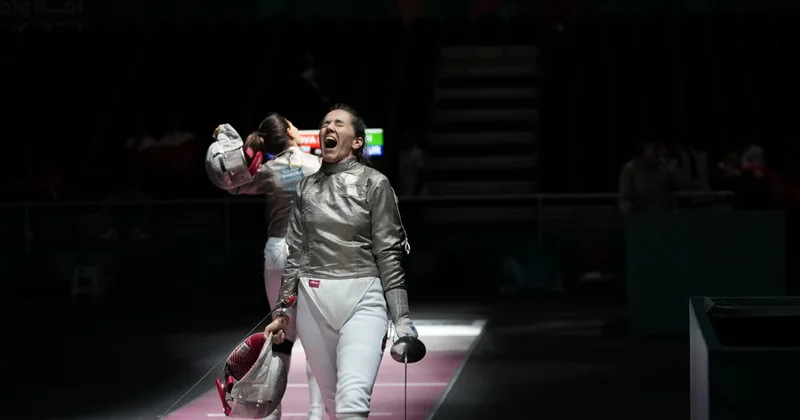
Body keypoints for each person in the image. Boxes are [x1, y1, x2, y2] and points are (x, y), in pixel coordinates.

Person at [263, 104, 418, 420]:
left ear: (358, 141)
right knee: (334, 408)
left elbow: (389, 255)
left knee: (351, 405)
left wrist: (401, 318)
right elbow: (296, 254)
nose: (328, 128)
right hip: (313, 303)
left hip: (364, 299)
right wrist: (282, 312)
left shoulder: (375, 184)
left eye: (338, 123)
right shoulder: (306, 187)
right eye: (324, 123)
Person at [209, 113, 324, 420]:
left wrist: (228, 140)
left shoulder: (268, 170)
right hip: (310, 253)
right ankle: (315, 413)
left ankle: (271, 413)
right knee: (314, 335)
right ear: (288, 130)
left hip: (276, 253)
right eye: (293, 123)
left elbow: (230, 183)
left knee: (280, 335)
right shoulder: (316, 164)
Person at [618, 138, 689, 215]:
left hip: (666, 218)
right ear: (645, 146)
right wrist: (630, 208)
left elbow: (684, 185)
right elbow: (625, 199)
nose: (661, 151)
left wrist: (671, 167)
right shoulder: (631, 168)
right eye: (656, 146)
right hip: (643, 218)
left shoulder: (666, 165)